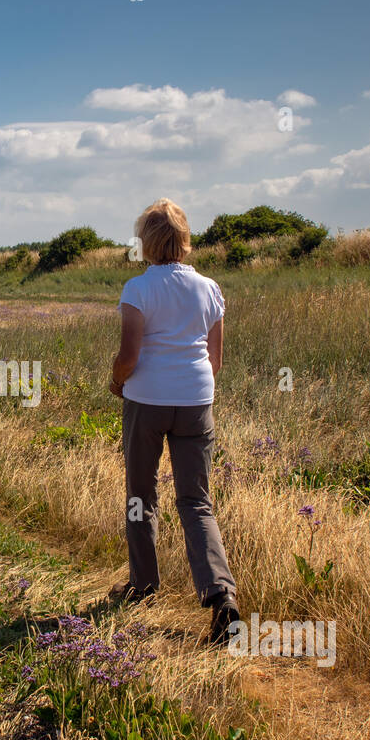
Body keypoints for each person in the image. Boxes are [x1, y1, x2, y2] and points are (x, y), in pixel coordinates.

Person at [108, 198, 240, 644]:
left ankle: (143, 585)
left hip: (146, 401)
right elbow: (215, 360)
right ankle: (221, 595)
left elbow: (129, 356)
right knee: (196, 502)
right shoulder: (210, 289)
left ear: (145, 242)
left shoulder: (138, 289)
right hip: (196, 401)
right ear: (184, 240)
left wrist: (116, 380)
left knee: (141, 495)